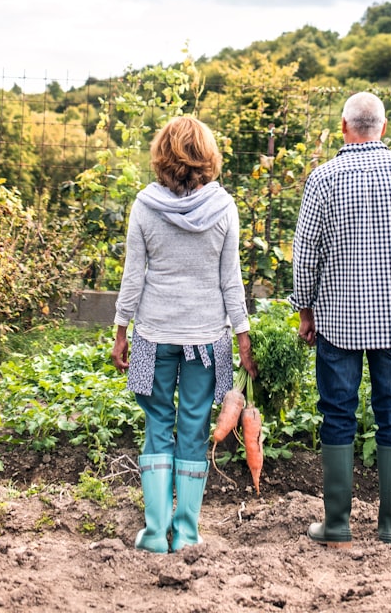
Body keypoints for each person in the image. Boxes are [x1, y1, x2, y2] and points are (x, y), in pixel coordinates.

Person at [291, 92, 391, 547]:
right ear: (384, 127)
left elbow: (305, 259)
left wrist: (306, 311)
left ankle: (337, 525)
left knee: (337, 414)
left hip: (337, 324)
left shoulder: (323, 179)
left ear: (344, 127)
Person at [111, 115, 256, 553]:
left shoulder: (144, 206)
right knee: (194, 428)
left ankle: (155, 534)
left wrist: (121, 331)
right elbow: (231, 280)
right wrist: (243, 335)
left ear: (162, 155)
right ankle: (187, 534)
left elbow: (133, 277)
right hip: (207, 339)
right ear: (207, 156)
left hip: (154, 336)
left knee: (157, 424)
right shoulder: (224, 207)